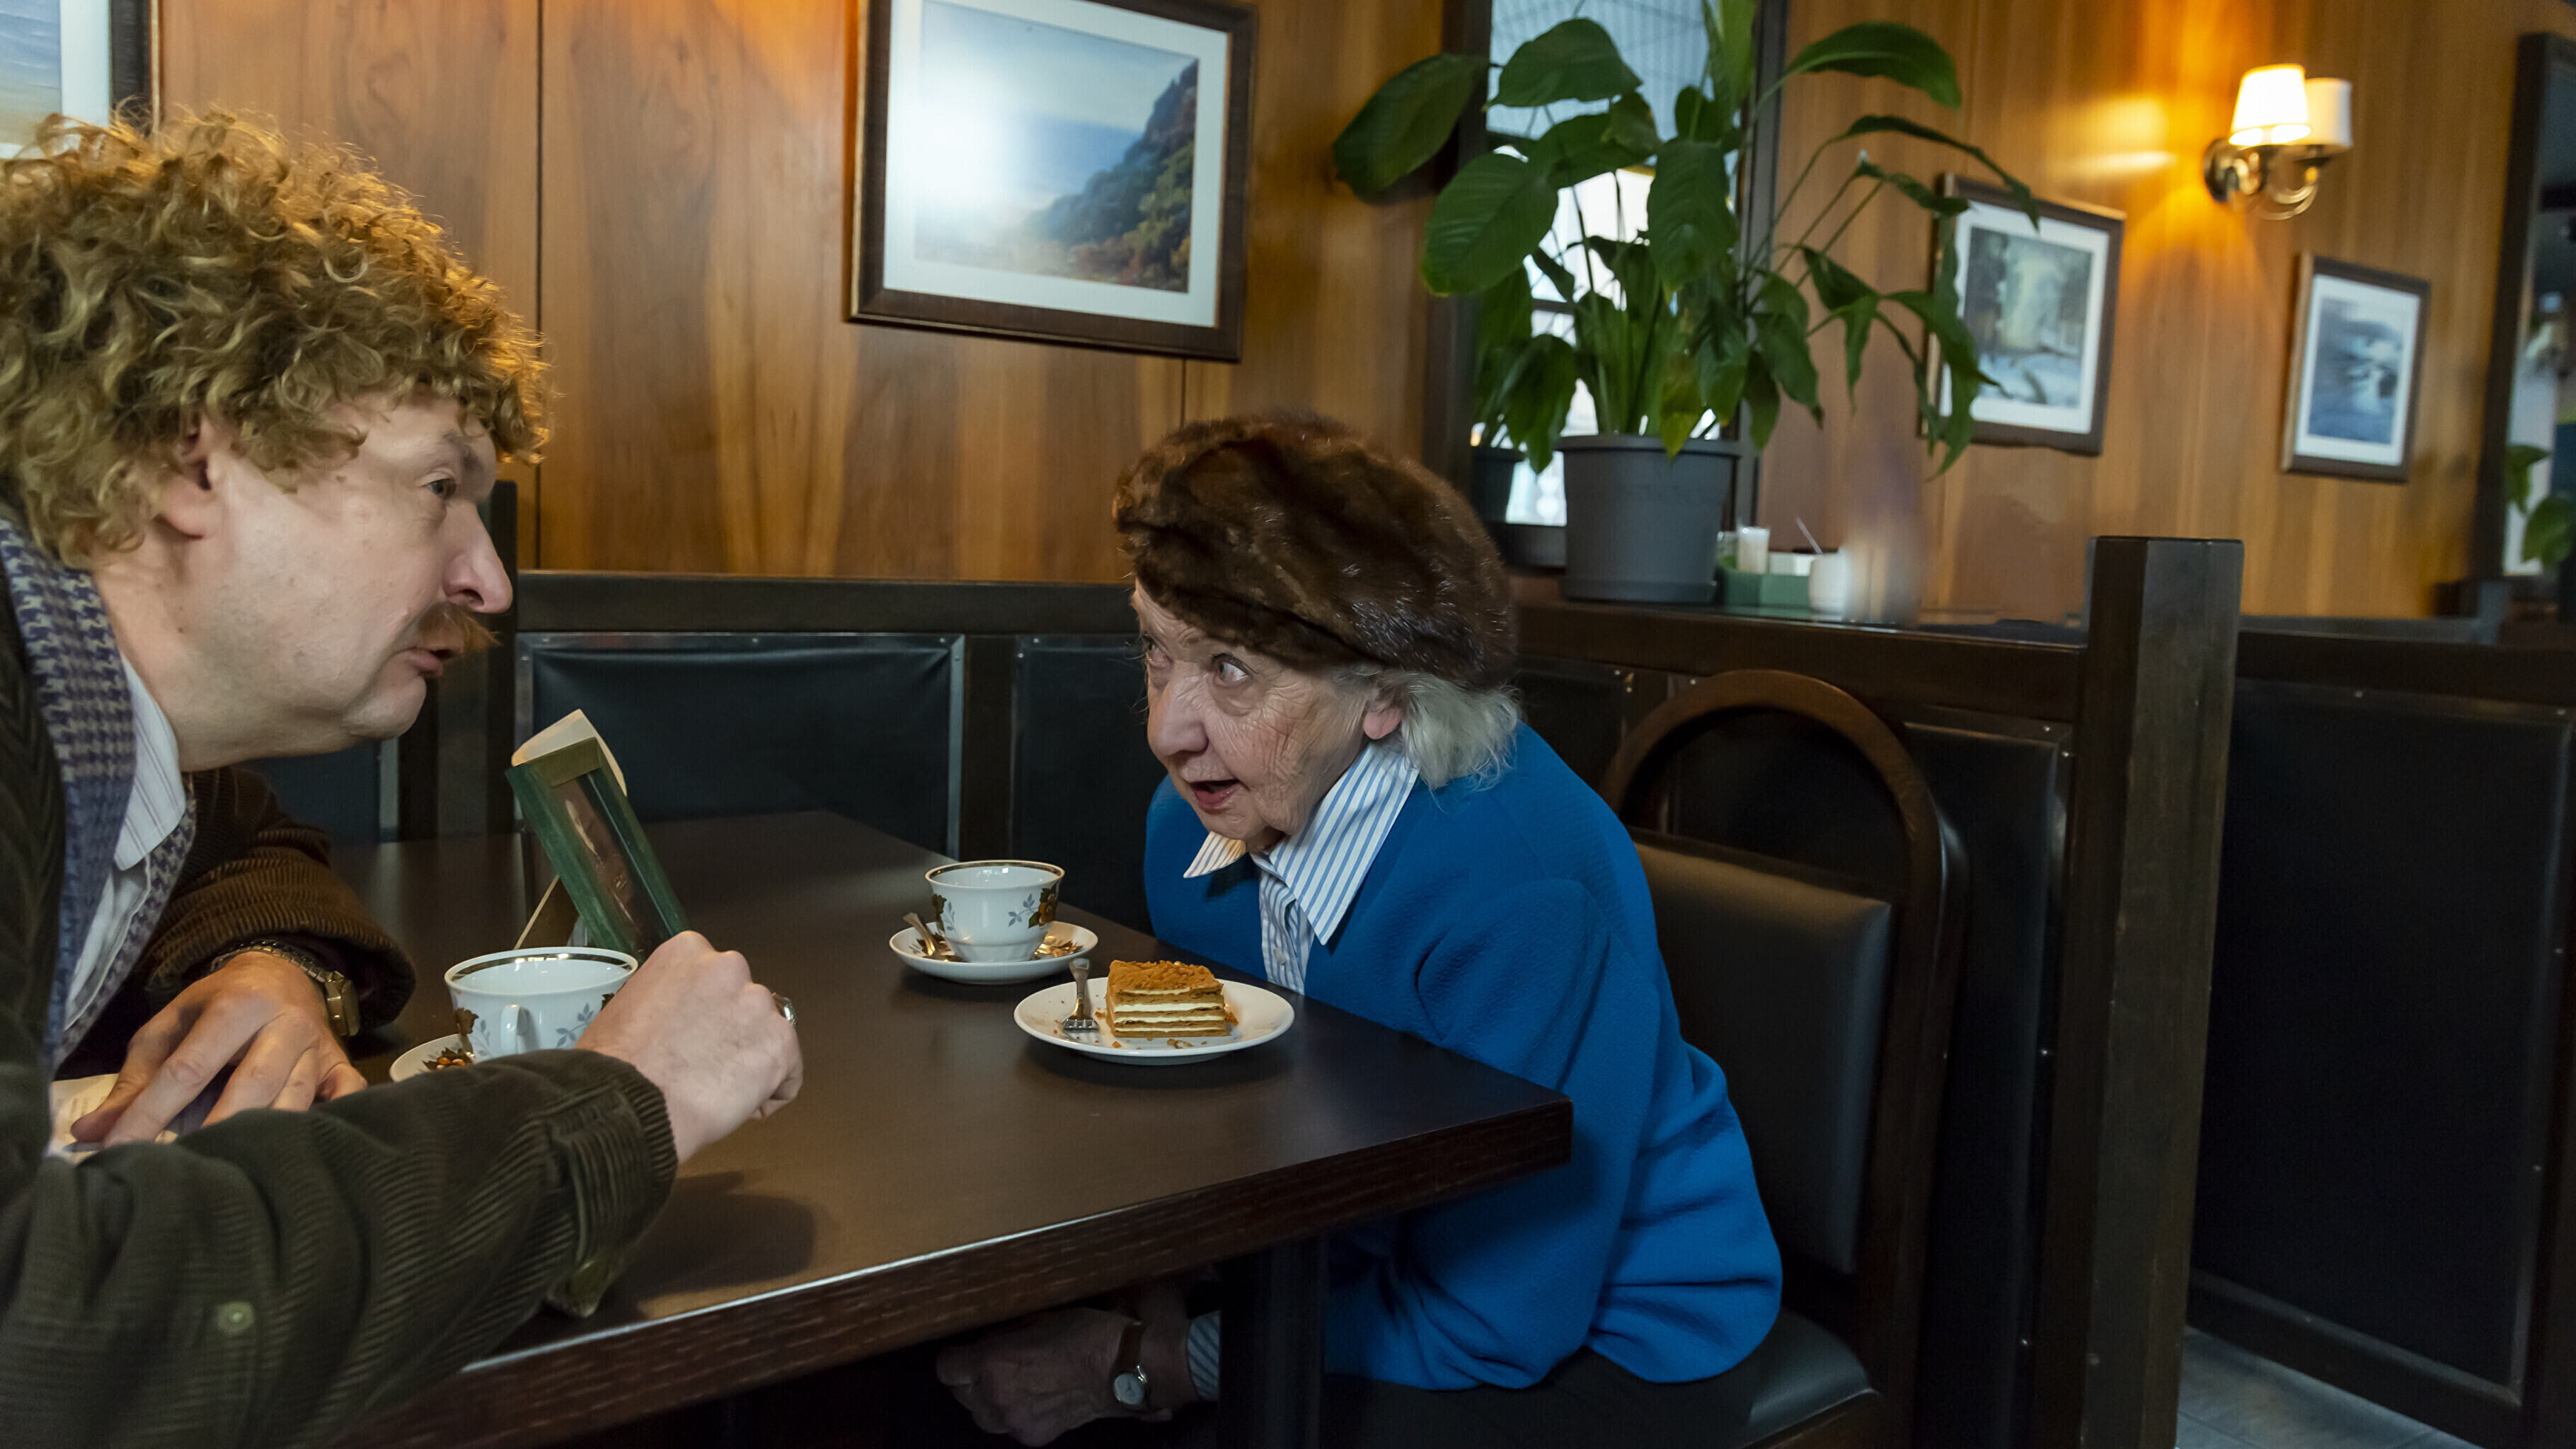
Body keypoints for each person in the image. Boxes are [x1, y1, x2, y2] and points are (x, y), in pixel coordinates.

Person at [0, 113, 803, 1444]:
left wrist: (271, 963)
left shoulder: (94, 721)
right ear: (194, 461)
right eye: (440, 488)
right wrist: (620, 1103)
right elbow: (45, 1338)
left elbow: (244, 846)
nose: (488, 580)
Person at [935, 415, 1781, 1447]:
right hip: (1338, 1261)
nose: (1166, 730)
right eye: (1157, 651)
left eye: (1232, 668)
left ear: (1383, 688)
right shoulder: (1189, 825)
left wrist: (1139, 1365)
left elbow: (1505, 1318)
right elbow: (1221, 1126)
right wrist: (1159, 1293)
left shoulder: (1518, 898)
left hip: (1615, 1333)